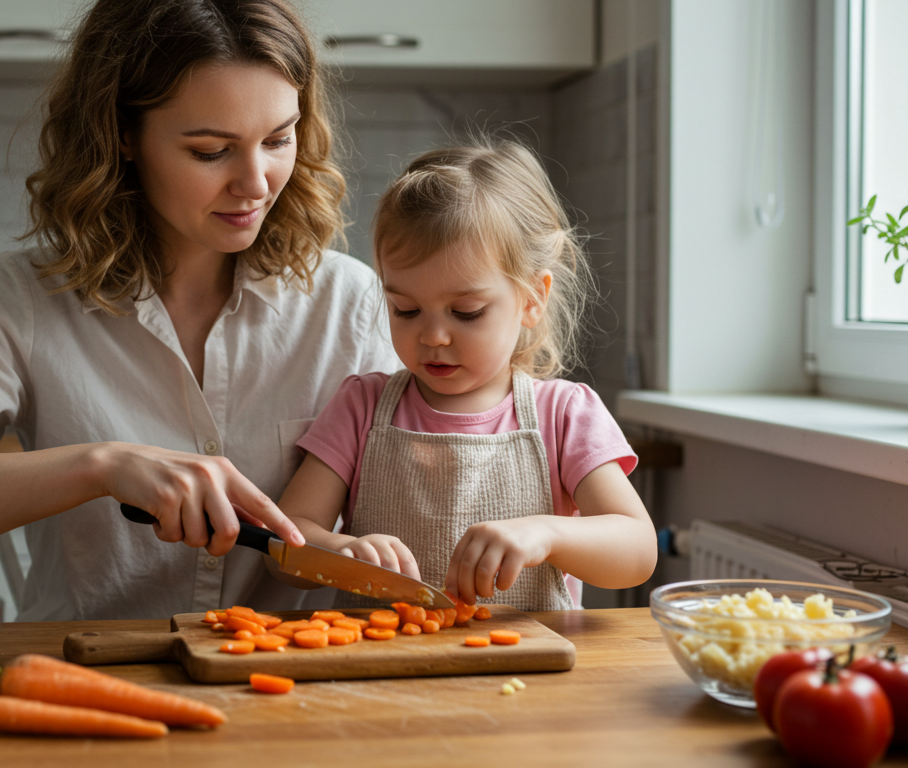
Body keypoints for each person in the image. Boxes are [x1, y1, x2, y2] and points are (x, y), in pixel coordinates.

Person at [0, 0, 399, 621]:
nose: (257, 182)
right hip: (84, 677)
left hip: (292, 686)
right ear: (123, 136)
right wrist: (101, 465)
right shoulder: (26, 298)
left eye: (277, 139)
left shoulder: (352, 304)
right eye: (211, 151)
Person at [274, 140, 657, 611]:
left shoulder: (563, 414)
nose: (433, 335)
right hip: (381, 674)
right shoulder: (361, 408)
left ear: (532, 298)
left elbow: (638, 551)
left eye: (466, 312)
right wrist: (338, 550)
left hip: (524, 675)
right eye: (406, 309)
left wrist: (547, 533)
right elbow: (285, 547)